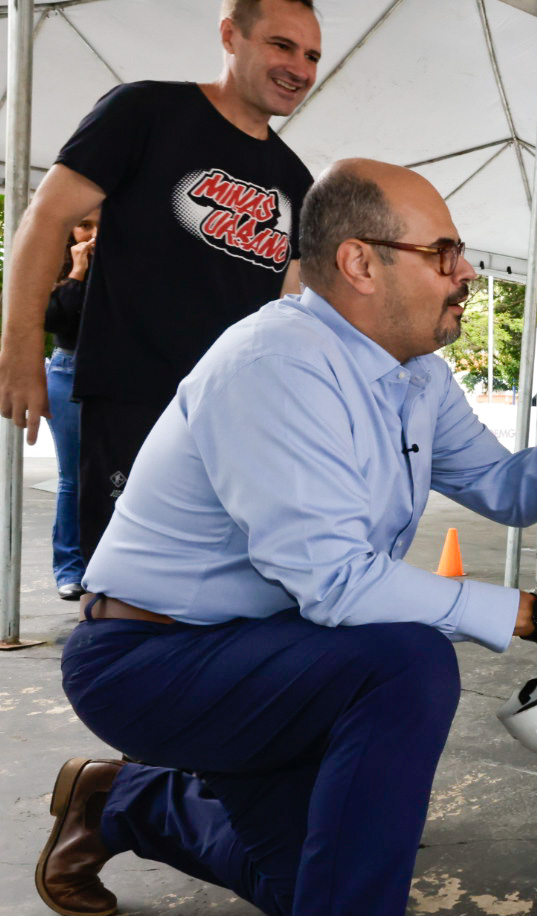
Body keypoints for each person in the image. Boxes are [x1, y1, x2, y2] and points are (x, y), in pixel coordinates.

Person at [36, 160, 537, 916]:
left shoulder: (413, 376)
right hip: (153, 660)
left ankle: (119, 801)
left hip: (271, 654)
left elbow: (507, 491)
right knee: (407, 663)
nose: (466, 272)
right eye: (444, 252)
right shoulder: (276, 366)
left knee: (308, 889)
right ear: (359, 262)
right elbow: (339, 587)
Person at [0, 0, 320, 559]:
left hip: (236, 415)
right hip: (135, 399)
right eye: (282, 45)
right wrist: (22, 346)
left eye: (312, 55)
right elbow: (46, 216)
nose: (300, 68)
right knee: (124, 577)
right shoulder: (145, 111)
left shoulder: (295, 177)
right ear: (230, 35)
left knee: (224, 575)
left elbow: (288, 306)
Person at [41, 210, 100, 600]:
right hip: (68, 369)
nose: (94, 232)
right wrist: (78, 271)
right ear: (71, 230)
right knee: (72, 478)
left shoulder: (127, 263)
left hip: (116, 371)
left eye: (100, 223)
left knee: (118, 473)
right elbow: (52, 321)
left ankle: (106, 566)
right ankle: (70, 568)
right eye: (85, 225)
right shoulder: (60, 265)